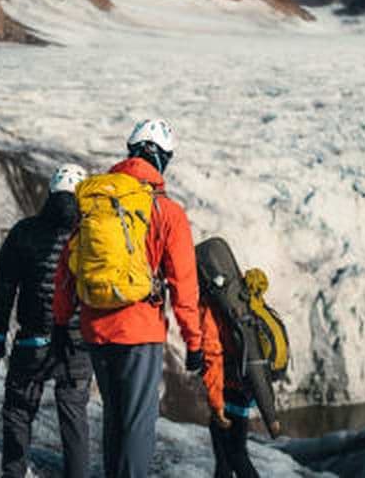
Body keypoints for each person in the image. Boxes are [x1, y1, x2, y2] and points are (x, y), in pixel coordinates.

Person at [53, 119, 203, 478]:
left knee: (114, 418)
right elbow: (183, 284)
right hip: (139, 329)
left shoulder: (95, 201)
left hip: (95, 328)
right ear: (163, 159)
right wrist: (194, 341)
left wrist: (61, 322)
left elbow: (67, 268)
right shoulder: (167, 212)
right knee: (138, 423)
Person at [0, 164, 93, 478]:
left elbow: (5, 284)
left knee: (19, 411)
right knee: (74, 417)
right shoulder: (91, 234)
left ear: (50, 194)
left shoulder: (25, 231)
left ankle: (14, 472)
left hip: (33, 339)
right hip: (78, 343)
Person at [200, 296, 260, 478]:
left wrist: (216, 403)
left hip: (229, 389)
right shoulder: (238, 298)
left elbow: (212, 356)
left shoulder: (210, 308)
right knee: (231, 454)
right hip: (245, 386)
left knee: (234, 455)